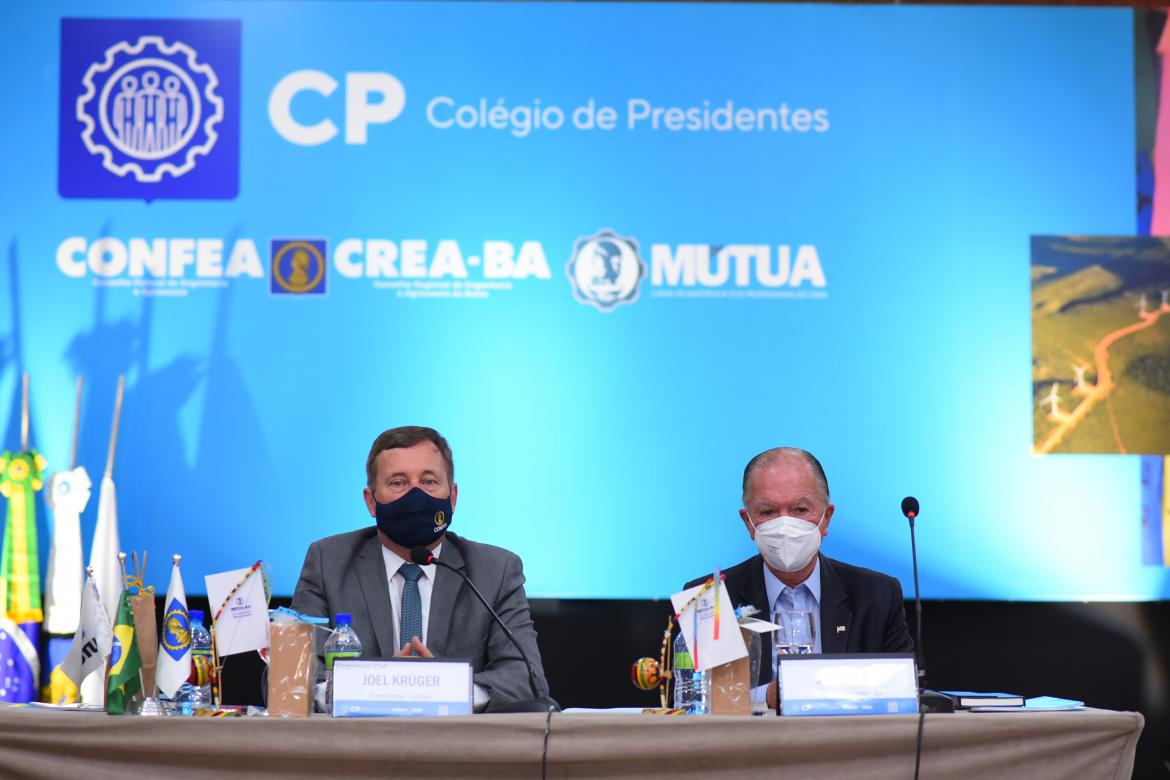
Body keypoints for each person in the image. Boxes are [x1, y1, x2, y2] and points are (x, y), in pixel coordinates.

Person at [291, 425, 550, 711]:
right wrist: (378, 686)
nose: (416, 496)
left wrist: (443, 687)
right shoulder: (328, 563)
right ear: (371, 501)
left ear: (452, 497)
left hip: (458, 751)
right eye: (398, 483)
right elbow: (285, 681)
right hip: (357, 749)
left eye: (428, 482)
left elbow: (527, 679)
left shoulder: (495, 571)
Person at [685, 447, 912, 708]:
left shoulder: (877, 595)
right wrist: (768, 697)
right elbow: (695, 702)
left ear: (826, 519)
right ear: (748, 523)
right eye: (768, 512)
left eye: (800, 509)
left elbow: (901, 691)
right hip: (748, 747)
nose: (785, 526)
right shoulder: (710, 600)